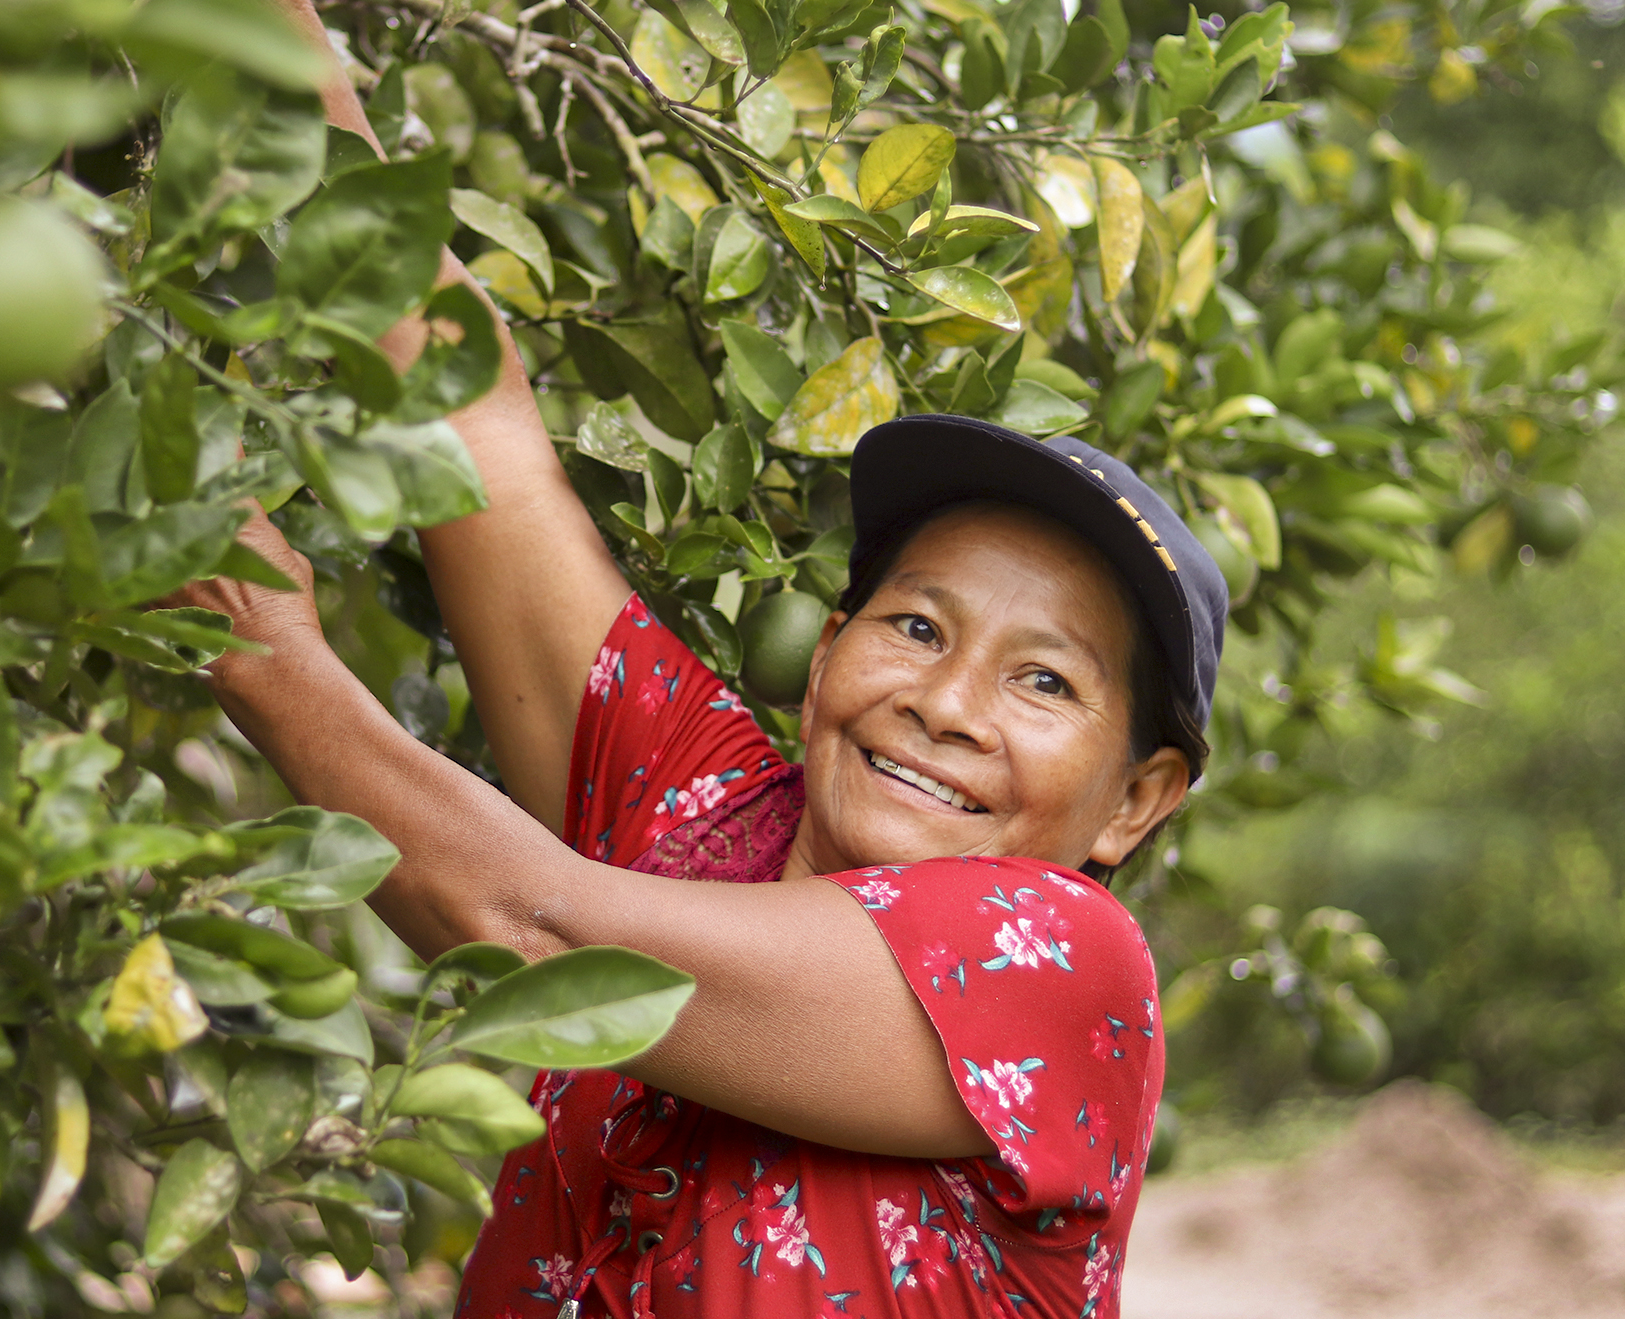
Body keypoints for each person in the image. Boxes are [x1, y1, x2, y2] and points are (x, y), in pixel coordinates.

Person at [183, 5, 1227, 1315]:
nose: (945, 705)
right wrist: (280, 56)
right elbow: (476, 434)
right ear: (828, 647)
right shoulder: (701, 819)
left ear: (1139, 797)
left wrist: (269, 656)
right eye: (914, 627)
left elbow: (526, 923)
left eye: (1044, 681)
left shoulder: (1063, 960)